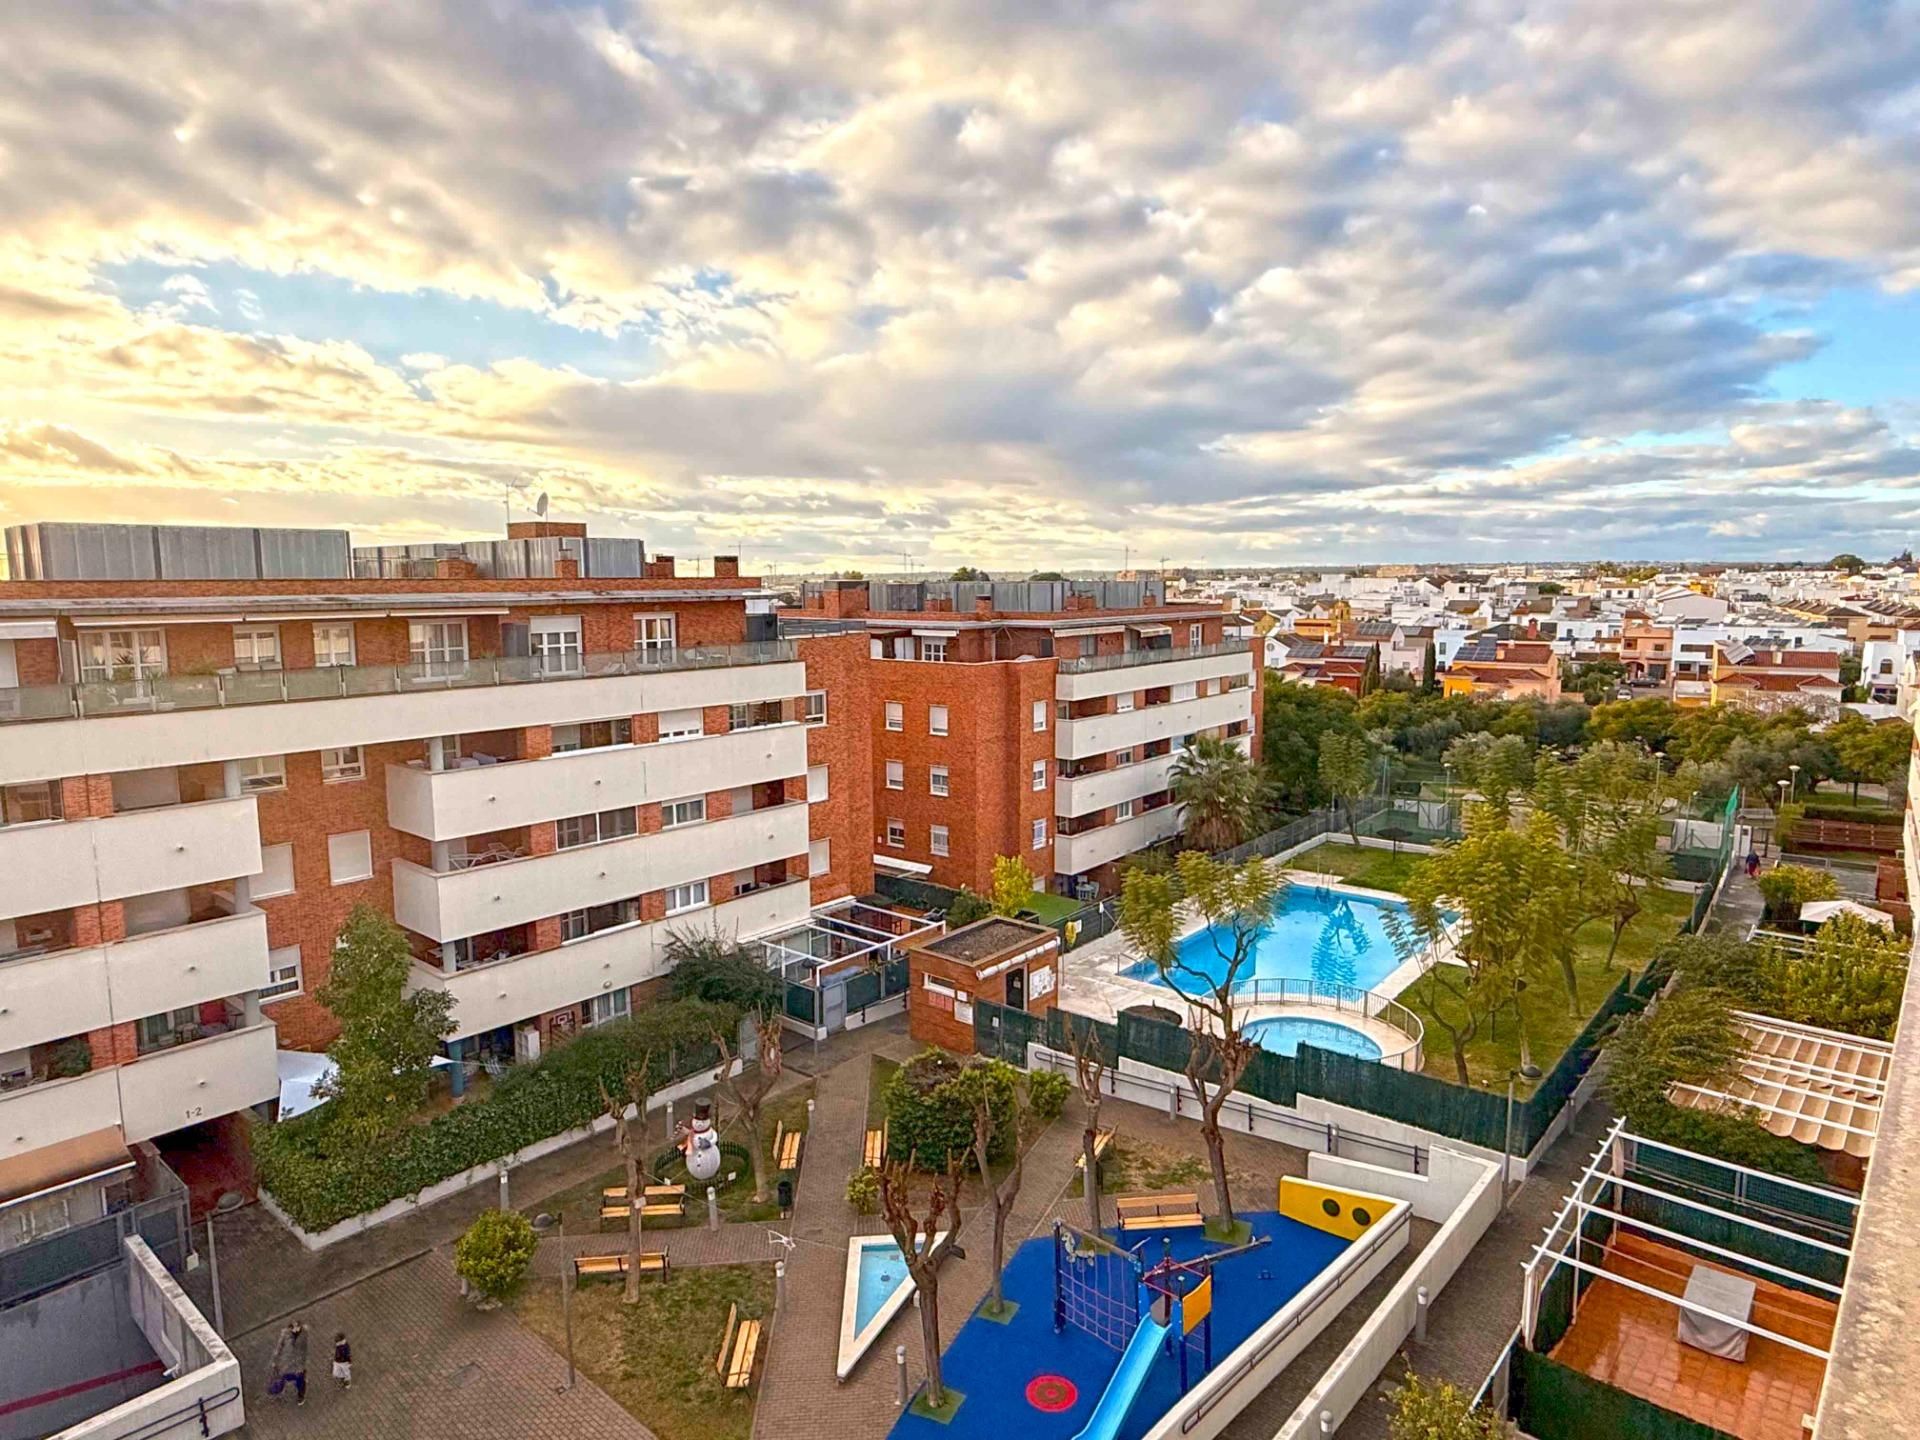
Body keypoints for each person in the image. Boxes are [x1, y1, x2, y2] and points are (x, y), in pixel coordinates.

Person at [267, 1319, 309, 1405]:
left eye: (298, 1327)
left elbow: (304, 1351)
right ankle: (277, 1391)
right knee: (283, 1377)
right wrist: (275, 1360)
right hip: (286, 1362)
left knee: (300, 1381)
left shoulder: (303, 1334)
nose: (296, 1329)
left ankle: (301, 1395)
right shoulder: (285, 1333)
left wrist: (302, 1366)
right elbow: (279, 1347)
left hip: (298, 1364)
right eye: (294, 1327)